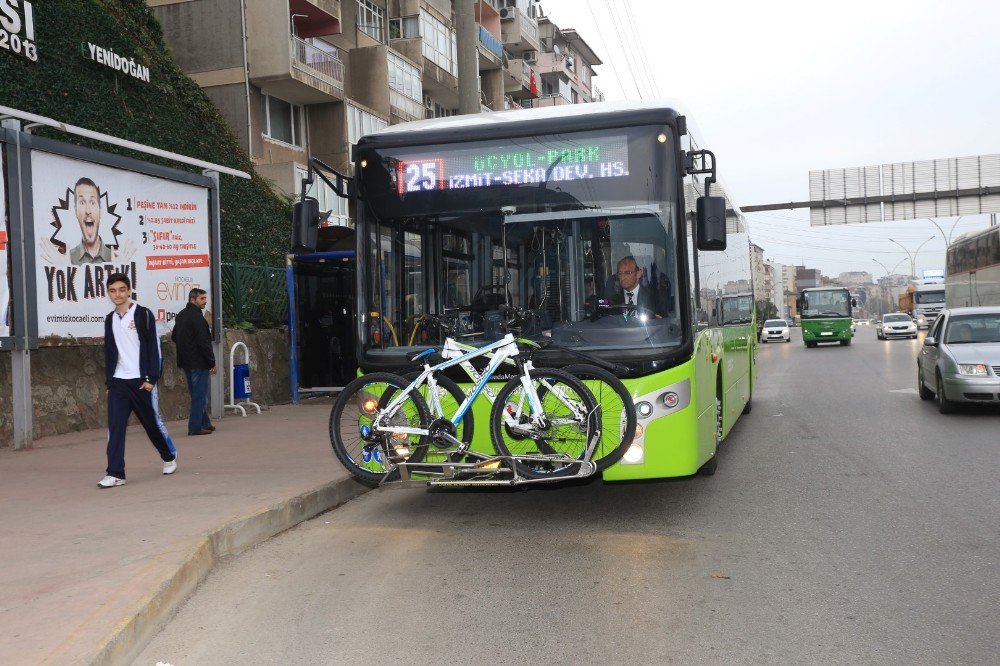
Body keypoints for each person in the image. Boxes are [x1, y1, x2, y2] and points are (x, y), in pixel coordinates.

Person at [98, 272, 177, 488]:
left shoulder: (143, 314)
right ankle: (115, 473)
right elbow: (110, 352)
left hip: (141, 381)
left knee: (151, 424)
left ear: (129, 291)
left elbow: (154, 348)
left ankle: (169, 455)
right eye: (113, 290)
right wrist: (109, 382)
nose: (118, 294)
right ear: (108, 293)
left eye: (122, 290)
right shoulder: (110, 319)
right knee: (115, 428)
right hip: (118, 383)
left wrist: (151, 378)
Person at [171, 287, 217, 436]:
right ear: (193, 300)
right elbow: (204, 343)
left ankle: (205, 423)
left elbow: (174, 336)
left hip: (186, 362)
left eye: (205, 298)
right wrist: (211, 363)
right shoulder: (198, 318)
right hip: (198, 362)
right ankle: (195, 427)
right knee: (199, 395)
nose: (205, 301)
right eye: (202, 299)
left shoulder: (182, 315)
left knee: (196, 393)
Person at [69, 177, 113, 265]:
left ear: (100, 211)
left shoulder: (114, 258)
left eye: (92, 202)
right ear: (75, 211)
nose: (88, 210)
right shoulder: (68, 259)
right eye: (82, 202)